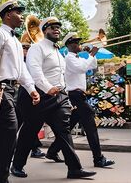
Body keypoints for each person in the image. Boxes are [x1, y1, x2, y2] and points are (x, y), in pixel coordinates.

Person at [11, 17, 96, 179]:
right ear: (44, 31)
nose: (56, 29)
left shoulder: (57, 51)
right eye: (52, 27)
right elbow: (35, 72)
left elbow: (60, 75)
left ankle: (74, 168)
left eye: (58, 27)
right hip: (37, 95)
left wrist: (63, 93)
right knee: (29, 132)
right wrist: (47, 88)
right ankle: (17, 165)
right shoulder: (37, 48)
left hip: (58, 97)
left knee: (64, 131)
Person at [0, 0, 40, 183]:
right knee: (9, 135)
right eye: (18, 12)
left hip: (11, 90)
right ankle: (0, 178)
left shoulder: (14, 40)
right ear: (8, 14)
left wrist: (31, 89)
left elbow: (20, 70)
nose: (22, 16)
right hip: (1, 89)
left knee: (1, 138)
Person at [46, 32, 115, 168]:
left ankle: (52, 151)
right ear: (70, 45)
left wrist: (91, 56)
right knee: (91, 127)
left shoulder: (77, 58)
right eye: (77, 43)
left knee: (68, 126)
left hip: (79, 96)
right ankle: (98, 158)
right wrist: (91, 55)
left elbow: (91, 65)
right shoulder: (69, 59)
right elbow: (82, 68)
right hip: (74, 96)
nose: (80, 45)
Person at [14, 42, 45, 159]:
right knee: (24, 123)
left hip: (33, 93)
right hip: (24, 94)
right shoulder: (19, 60)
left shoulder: (33, 59)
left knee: (28, 123)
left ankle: (34, 148)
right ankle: (32, 148)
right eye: (24, 47)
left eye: (28, 48)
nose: (26, 50)